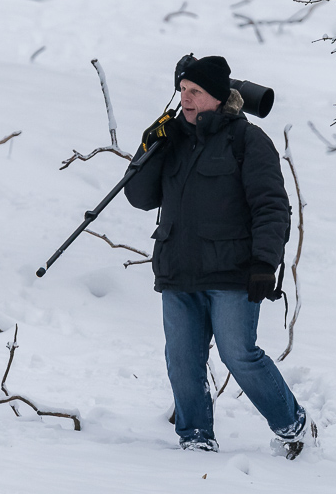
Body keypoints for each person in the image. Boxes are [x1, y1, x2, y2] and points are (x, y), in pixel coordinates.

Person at [124, 54, 314, 458]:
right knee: (182, 360)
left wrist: (266, 263)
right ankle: (195, 438)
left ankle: (294, 425)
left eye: (195, 92)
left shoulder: (247, 141)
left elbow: (271, 206)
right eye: (182, 91)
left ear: (217, 97)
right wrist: (150, 145)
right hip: (178, 270)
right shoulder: (170, 139)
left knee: (239, 355)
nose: (186, 100)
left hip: (232, 274)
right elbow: (139, 197)